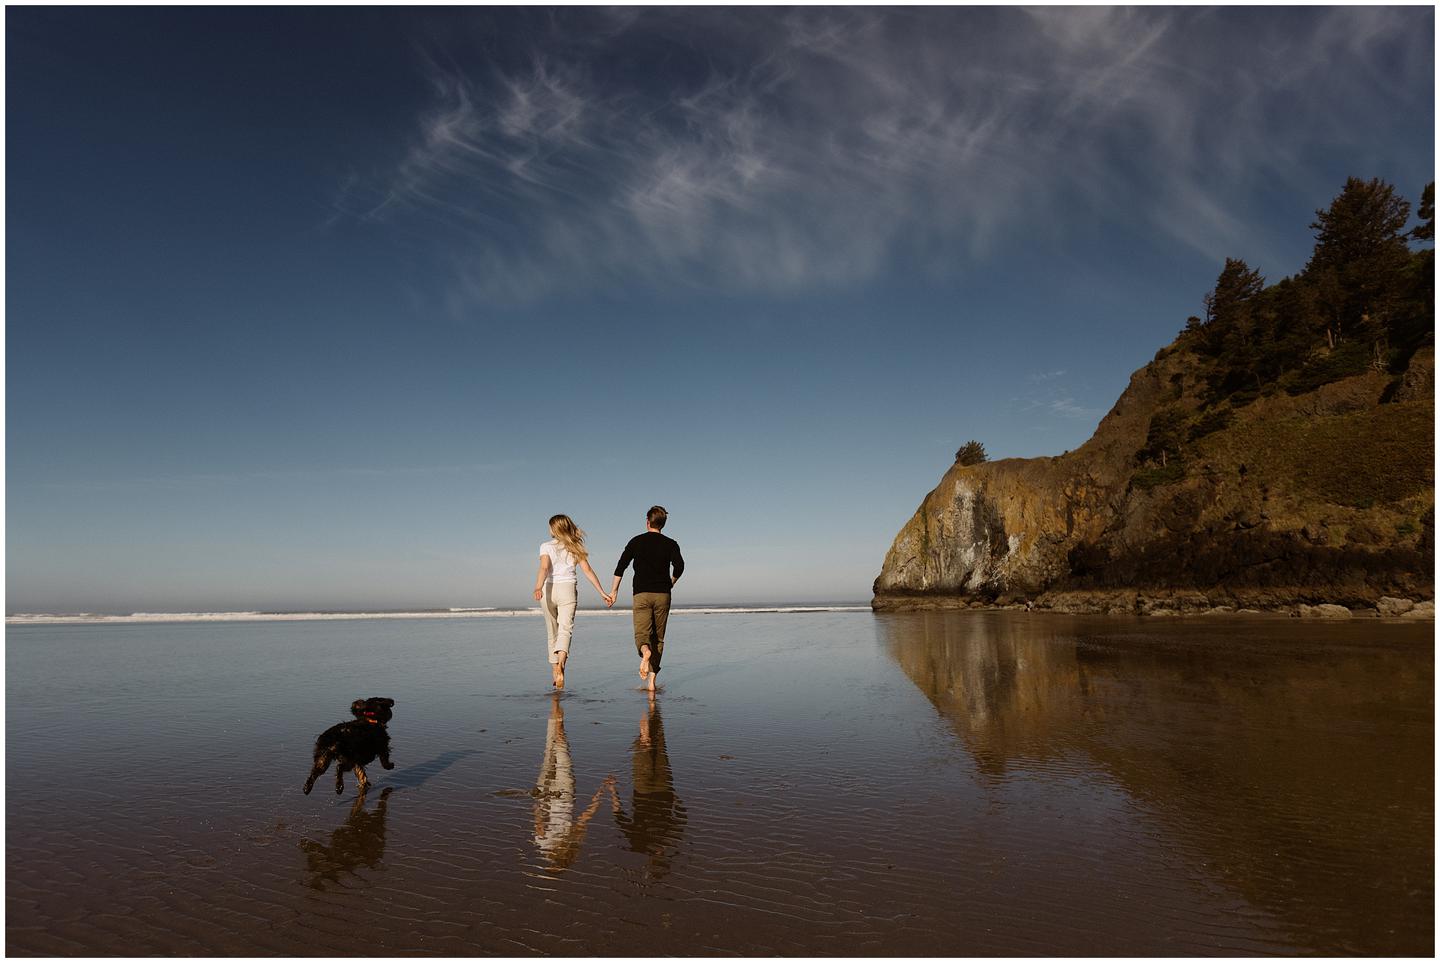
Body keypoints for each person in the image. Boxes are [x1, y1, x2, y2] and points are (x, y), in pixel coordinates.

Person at [607, 506, 684, 691]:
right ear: (663, 524)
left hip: (641, 594)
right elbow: (679, 566)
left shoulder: (636, 541)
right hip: (663, 594)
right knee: (659, 637)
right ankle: (651, 681)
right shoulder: (671, 544)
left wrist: (614, 591)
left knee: (642, 634)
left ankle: (645, 651)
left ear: (647, 522)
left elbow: (621, 566)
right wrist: (671, 582)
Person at [534, 514, 613, 689]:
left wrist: (538, 587)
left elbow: (544, 568)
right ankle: (561, 665)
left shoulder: (545, 546)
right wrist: (602, 592)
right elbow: (588, 571)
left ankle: (555, 670)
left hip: (548, 589)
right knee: (565, 629)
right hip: (568, 590)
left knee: (552, 631)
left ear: (554, 529)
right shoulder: (575, 546)